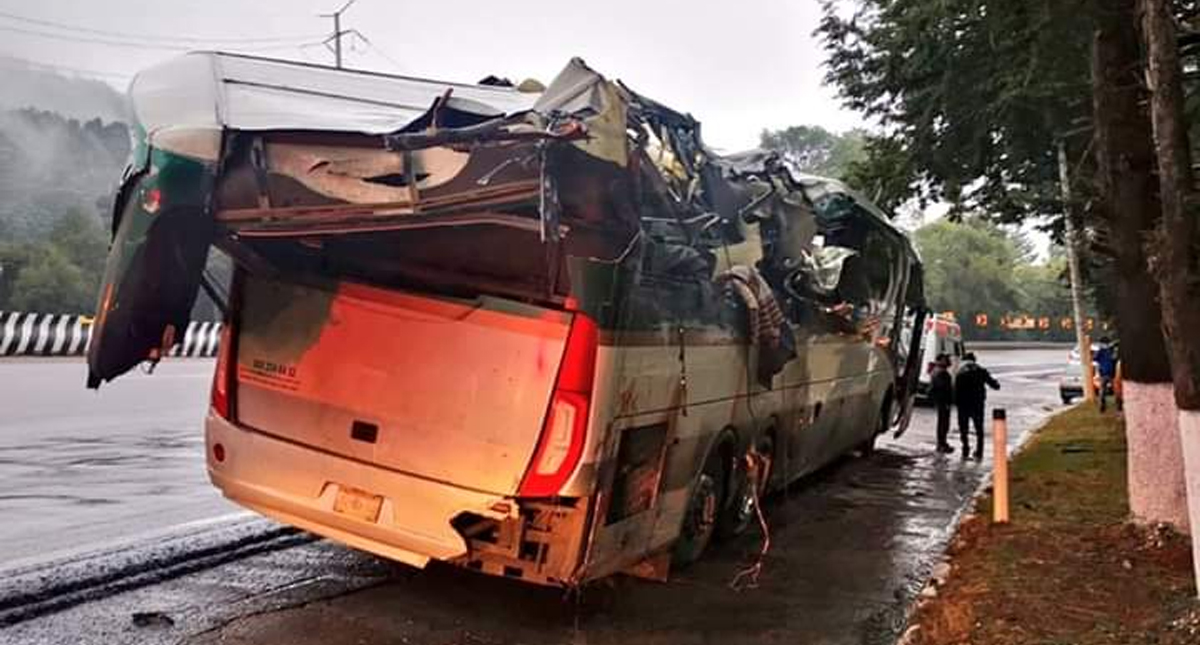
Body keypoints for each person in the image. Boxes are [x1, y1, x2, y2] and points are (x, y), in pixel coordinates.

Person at [954, 352, 1000, 460]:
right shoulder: (981, 370)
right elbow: (995, 385)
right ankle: (979, 451)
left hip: (963, 405)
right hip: (978, 404)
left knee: (963, 428)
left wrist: (956, 402)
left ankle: (965, 449)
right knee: (979, 429)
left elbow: (956, 390)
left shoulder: (960, 372)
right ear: (974, 360)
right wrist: (995, 383)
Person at [929, 354, 955, 453]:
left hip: (941, 401)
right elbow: (943, 388)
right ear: (940, 360)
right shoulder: (941, 372)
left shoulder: (936, 370)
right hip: (943, 402)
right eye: (946, 359)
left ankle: (942, 443)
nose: (949, 361)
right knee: (943, 423)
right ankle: (941, 444)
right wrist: (948, 401)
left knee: (942, 423)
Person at [1094, 338, 1118, 413]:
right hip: (1105, 374)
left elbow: (1115, 358)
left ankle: (1118, 405)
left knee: (1114, 390)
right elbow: (1095, 358)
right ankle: (1102, 406)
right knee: (1103, 391)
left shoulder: (1111, 351)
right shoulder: (1101, 351)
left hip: (1111, 374)